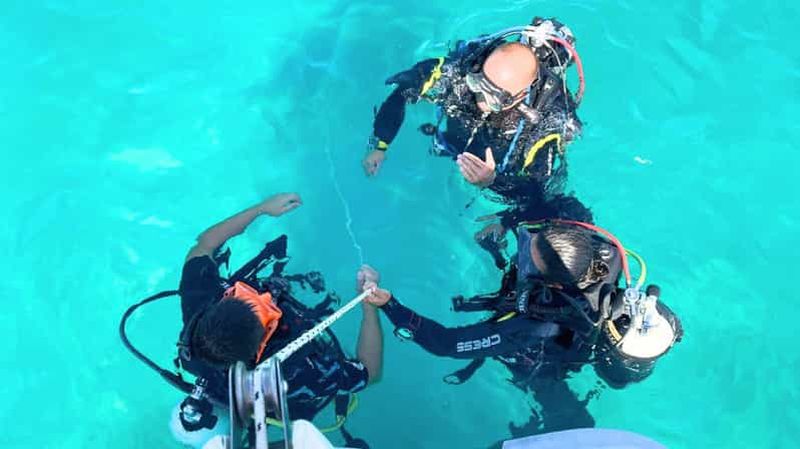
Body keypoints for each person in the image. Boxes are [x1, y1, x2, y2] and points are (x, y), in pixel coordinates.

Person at [356, 219, 682, 442]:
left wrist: (389, 305)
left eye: (528, 257)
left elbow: (446, 345)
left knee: (568, 422)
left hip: (545, 362)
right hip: (582, 331)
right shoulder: (602, 252)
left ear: (552, 283)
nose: (523, 253)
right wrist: (507, 219)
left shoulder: (533, 325)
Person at [175, 192, 383, 446]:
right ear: (263, 341)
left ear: (221, 301)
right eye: (266, 310)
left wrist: (261, 209)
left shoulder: (198, 300)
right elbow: (370, 374)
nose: (265, 295)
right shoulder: (302, 372)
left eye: (243, 295)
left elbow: (204, 243)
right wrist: (370, 307)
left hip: (225, 388)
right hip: (275, 395)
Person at [362, 17, 584, 207]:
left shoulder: (544, 127)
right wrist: (381, 145)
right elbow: (403, 91)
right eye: (479, 84)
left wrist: (491, 182)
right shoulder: (459, 72)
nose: (482, 100)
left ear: (521, 95)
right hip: (450, 143)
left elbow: (536, 195)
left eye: (496, 97)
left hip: (492, 170)